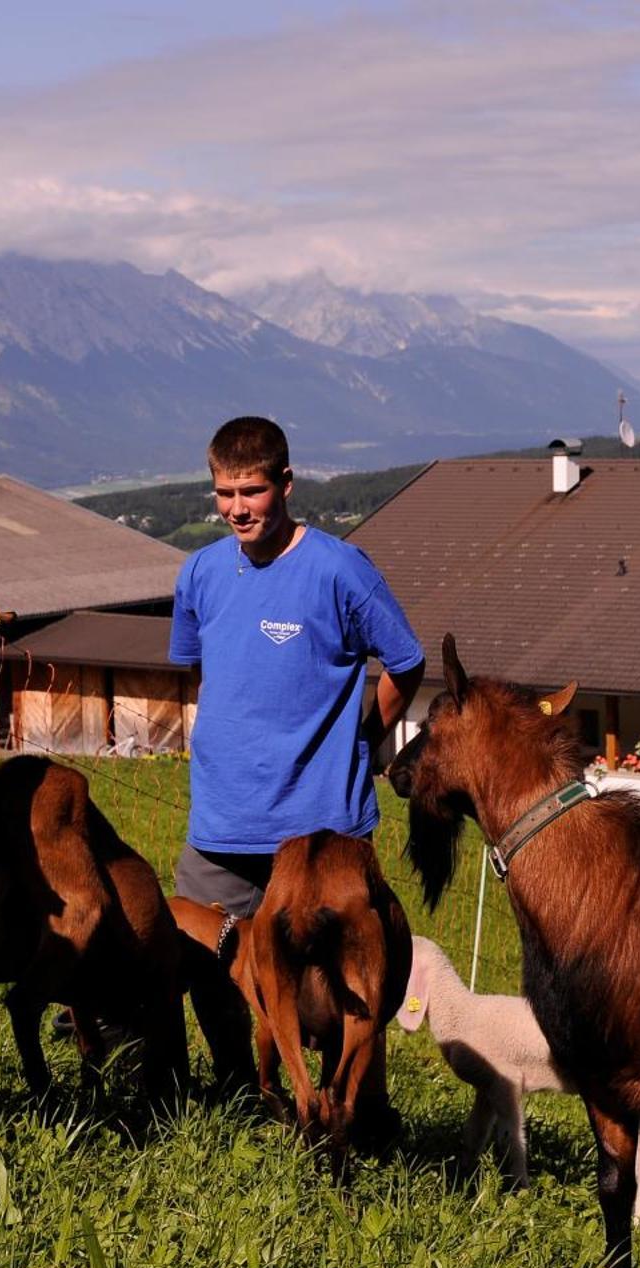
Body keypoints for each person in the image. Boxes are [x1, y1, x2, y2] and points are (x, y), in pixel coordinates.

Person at [169, 416, 425, 1112]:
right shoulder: (199, 572)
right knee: (209, 967)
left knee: (342, 988)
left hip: (318, 831)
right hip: (220, 821)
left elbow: (405, 660)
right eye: (223, 492)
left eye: (251, 491)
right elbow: (201, 672)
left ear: (286, 483)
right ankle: (243, 1094)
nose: (236, 508)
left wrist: (366, 736)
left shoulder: (340, 569)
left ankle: (354, 1114)